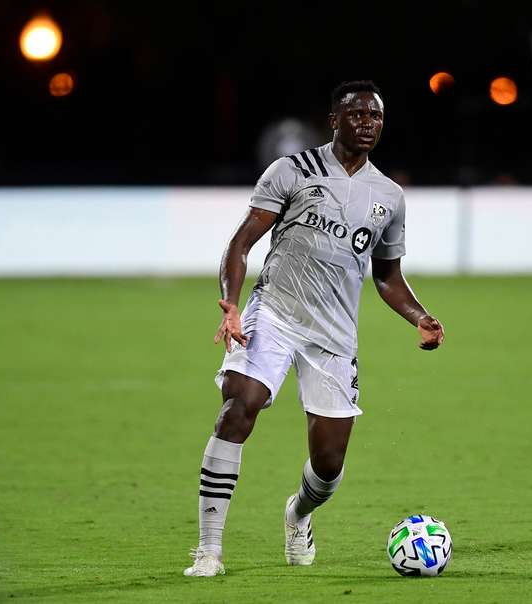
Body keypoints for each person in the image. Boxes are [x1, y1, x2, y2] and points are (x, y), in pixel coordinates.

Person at [183, 80, 445, 577]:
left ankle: (297, 514)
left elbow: (387, 277)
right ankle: (208, 551)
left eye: (376, 116)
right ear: (334, 120)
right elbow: (241, 245)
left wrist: (420, 316)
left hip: (334, 338)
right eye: (357, 114)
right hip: (275, 311)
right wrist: (232, 306)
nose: (367, 123)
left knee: (327, 466)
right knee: (241, 404)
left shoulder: (388, 196)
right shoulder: (292, 170)